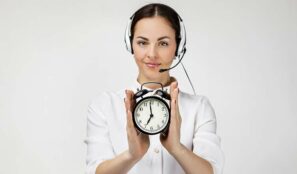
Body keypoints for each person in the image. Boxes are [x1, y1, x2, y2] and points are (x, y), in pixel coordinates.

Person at [85, 3, 224, 174]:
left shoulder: (199, 107)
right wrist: (132, 155)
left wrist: (177, 148)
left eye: (163, 43)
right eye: (143, 42)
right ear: (131, 45)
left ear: (178, 48)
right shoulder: (104, 105)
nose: (152, 53)